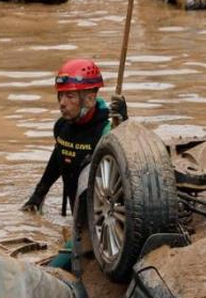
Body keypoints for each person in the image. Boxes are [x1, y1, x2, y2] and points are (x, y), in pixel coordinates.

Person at [21, 59, 127, 215]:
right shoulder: (61, 127)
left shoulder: (108, 128)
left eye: (70, 96)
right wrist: (38, 195)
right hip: (77, 215)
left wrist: (124, 124)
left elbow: (127, 164)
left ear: (90, 99)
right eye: (61, 95)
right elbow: (60, 156)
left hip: (105, 216)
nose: (62, 103)